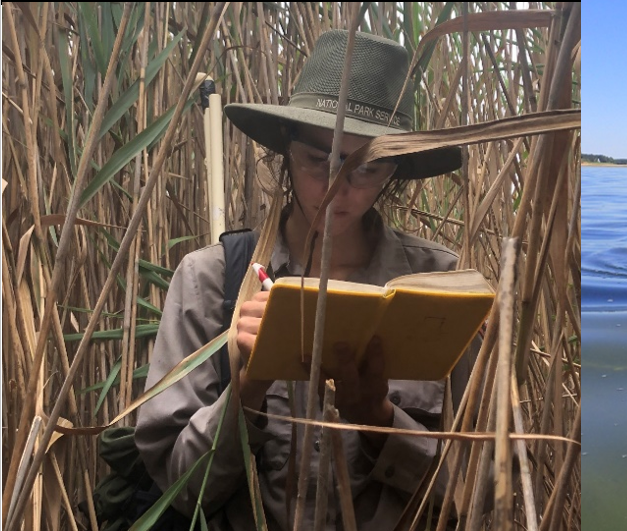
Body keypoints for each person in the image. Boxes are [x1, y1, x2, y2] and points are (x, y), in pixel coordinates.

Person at [136, 30, 474, 530]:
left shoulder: (440, 287)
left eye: (367, 167)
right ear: (287, 153)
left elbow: (480, 490)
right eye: (319, 160)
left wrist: (379, 418)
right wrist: (247, 388)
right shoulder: (211, 280)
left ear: (393, 172)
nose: (338, 188)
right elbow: (180, 490)